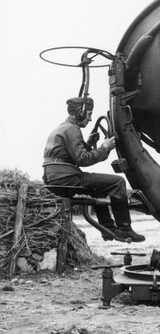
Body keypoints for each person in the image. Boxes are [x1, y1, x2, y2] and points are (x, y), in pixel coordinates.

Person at [42, 96, 145, 243]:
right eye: (89, 114)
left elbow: (70, 154)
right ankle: (124, 229)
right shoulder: (72, 129)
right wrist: (105, 147)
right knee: (118, 182)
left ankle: (108, 229)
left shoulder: (62, 128)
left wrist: (89, 143)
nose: (90, 119)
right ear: (80, 112)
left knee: (100, 188)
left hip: (54, 177)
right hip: (66, 177)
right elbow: (83, 159)